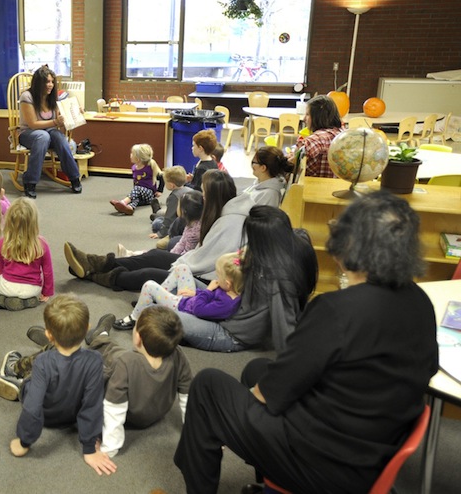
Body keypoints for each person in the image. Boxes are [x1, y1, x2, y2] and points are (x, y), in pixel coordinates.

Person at [174, 190, 438, 493]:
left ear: (349, 244)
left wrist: (228, 417)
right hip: (372, 452)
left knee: (208, 386)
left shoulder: (336, 310)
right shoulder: (420, 302)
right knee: (257, 368)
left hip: (321, 464)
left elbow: (267, 395)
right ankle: (272, 483)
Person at [0, 295, 117, 476]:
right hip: (72, 417)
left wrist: (24, 441)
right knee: (61, 363)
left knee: (33, 378)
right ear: (87, 329)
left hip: (47, 415)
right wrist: (89, 447)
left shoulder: (43, 363)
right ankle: (56, 345)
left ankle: (16, 376)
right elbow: (92, 405)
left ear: (48, 334)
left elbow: (32, 407)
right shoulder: (94, 361)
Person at [66, 169, 248, 292]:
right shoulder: (225, 211)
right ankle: (94, 262)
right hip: (196, 266)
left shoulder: (229, 223)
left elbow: (209, 263)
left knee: (149, 274)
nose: (203, 197)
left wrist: (180, 264)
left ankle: (94, 275)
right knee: (154, 255)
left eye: (205, 193)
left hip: (209, 281)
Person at [177, 205, 317, 352]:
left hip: (231, 332)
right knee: (168, 283)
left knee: (157, 313)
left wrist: (292, 363)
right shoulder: (273, 249)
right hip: (227, 305)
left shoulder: (278, 276)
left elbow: (284, 324)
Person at [93, 307, 192, 458]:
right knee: (117, 352)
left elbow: (114, 407)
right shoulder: (177, 353)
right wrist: (196, 430)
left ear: (138, 338)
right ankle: (101, 337)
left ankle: (97, 337)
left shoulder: (126, 363)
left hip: (131, 418)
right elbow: (187, 394)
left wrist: (110, 448)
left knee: (101, 360)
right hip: (157, 413)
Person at [117, 251, 243, 330]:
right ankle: (154, 300)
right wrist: (196, 293)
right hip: (190, 300)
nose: (216, 278)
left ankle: (135, 318)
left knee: (149, 285)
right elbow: (207, 299)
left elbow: (199, 310)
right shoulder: (226, 289)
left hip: (184, 308)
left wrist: (208, 291)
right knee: (182, 268)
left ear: (228, 283)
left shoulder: (226, 304)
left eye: (218, 275)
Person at [0, 198, 53, 311]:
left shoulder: (3, 242)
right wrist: (47, 292)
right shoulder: (42, 244)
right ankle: (26, 301)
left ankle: (1, 299)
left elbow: (1, 267)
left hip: (8, 285)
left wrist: (5, 277)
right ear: (33, 222)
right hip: (33, 289)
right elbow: (48, 271)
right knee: (26, 292)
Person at [17, 65, 82, 198]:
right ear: (38, 83)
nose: (50, 85)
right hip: (27, 133)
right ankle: (30, 181)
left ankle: (74, 177)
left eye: (52, 82)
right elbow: (33, 124)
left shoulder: (52, 98)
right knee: (43, 136)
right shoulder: (27, 96)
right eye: (47, 82)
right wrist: (55, 122)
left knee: (58, 137)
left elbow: (62, 122)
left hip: (48, 133)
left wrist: (75, 113)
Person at [287, 94, 343, 178]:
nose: (304, 119)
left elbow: (305, 150)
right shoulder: (342, 133)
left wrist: (294, 155)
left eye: (307, 114)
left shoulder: (316, 139)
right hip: (339, 187)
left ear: (318, 117)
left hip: (315, 188)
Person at [109, 143, 162, 216]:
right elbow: (136, 181)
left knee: (137, 189)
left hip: (150, 195)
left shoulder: (149, 167)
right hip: (140, 194)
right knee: (135, 198)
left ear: (138, 159)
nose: (130, 155)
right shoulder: (134, 168)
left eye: (132, 154)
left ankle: (123, 202)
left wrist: (160, 190)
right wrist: (134, 193)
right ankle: (129, 208)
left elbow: (162, 177)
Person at [150, 166, 195, 240]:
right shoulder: (190, 190)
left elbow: (169, 218)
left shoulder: (173, 197)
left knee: (156, 223)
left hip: (180, 224)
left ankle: (156, 215)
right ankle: (157, 213)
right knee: (160, 214)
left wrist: (160, 233)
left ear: (171, 185)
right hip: (189, 221)